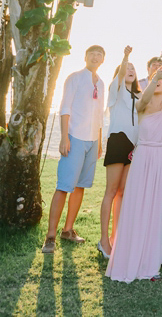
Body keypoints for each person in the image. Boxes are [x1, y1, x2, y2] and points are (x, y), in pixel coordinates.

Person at [106, 67, 162, 282]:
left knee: (156, 207)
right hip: (143, 156)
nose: (159, 83)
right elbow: (143, 100)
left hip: (161, 158)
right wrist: (156, 78)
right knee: (137, 205)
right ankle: (130, 257)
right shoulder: (141, 103)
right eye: (155, 80)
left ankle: (150, 261)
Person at [43, 45, 105, 255]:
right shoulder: (75, 77)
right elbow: (65, 108)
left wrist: (99, 141)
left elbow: (99, 115)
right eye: (92, 54)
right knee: (64, 186)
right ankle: (50, 236)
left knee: (80, 186)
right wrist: (64, 138)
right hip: (74, 138)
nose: (96, 57)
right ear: (85, 56)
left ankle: (67, 230)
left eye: (100, 55)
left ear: (103, 59)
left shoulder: (102, 83)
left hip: (91, 141)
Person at [98, 46, 138, 258]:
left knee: (123, 192)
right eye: (126, 68)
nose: (130, 69)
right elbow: (122, 73)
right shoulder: (116, 89)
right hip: (117, 140)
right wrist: (125, 56)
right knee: (111, 191)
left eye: (133, 67)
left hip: (133, 146)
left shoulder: (139, 97)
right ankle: (103, 241)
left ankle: (116, 238)